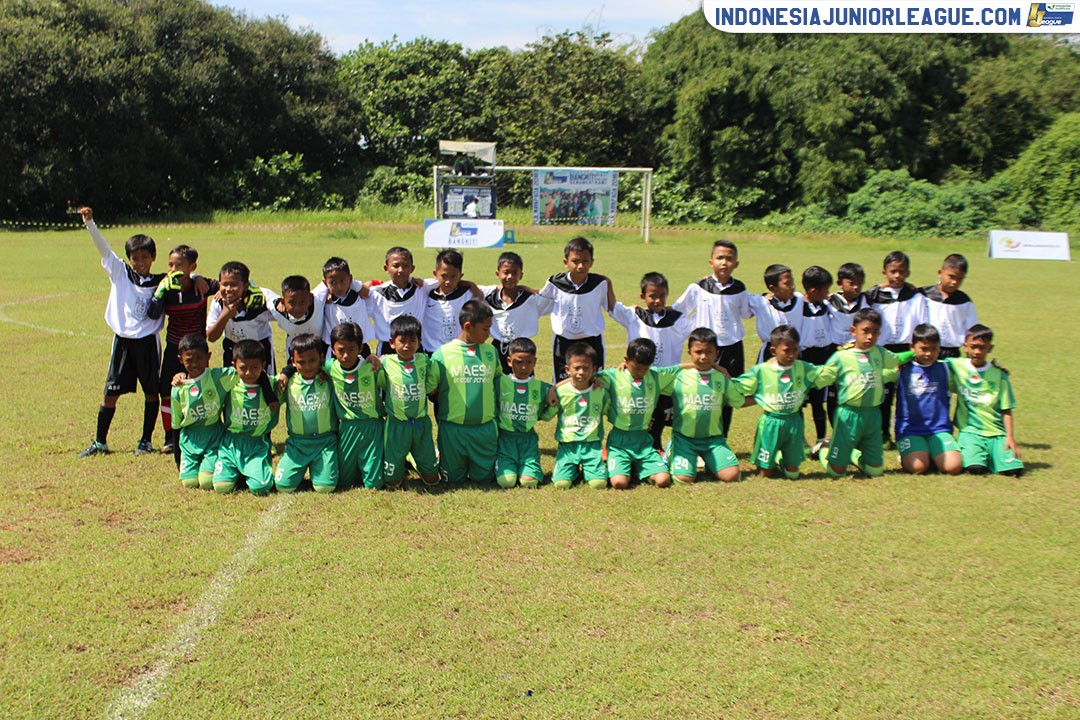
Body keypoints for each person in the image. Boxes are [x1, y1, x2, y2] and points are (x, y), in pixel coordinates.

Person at [77, 206, 167, 457]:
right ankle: (100, 442)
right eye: (135, 258)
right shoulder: (121, 273)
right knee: (110, 392)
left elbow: (185, 277)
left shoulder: (162, 281)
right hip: (123, 343)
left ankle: (146, 441)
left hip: (148, 342)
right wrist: (90, 223)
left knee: (151, 392)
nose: (140, 263)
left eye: (145, 258)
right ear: (129, 259)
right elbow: (103, 248)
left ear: (153, 257)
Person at [170, 333, 276, 491]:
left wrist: (269, 394)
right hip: (190, 439)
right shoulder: (178, 389)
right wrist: (178, 458)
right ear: (181, 360)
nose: (195, 364)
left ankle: (242, 471)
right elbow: (176, 424)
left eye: (200, 358)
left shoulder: (220, 377)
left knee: (207, 483)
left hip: (214, 437)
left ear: (208, 357)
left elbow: (253, 369)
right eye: (189, 360)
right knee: (189, 483)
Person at [732, 326, 836, 479]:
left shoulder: (803, 368)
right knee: (765, 473)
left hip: (794, 421)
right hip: (771, 423)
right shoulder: (762, 371)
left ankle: (785, 458)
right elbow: (738, 386)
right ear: (774, 351)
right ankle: (772, 458)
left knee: (793, 474)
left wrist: (845, 358)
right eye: (786, 350)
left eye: (795, 350)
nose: (792, 355)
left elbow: (827, 373)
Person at [672, 240, 752, 436]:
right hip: (706, 348)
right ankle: (702, 435)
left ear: (736, 264)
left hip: (732, 347)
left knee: (729, 393)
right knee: (705, 393)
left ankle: (721, 437)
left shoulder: (740, 289)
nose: (724, 263)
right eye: (720, 258)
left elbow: (746, 313)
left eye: (729, 259)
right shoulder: (698, 287)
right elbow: (677, 309)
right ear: (711, 262)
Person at [608, 272, 693, 451]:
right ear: (642, 296)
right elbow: (612, 306)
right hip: (640, 376)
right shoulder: (634, 315)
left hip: (665, 379)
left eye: (662, 296)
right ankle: (631, 448)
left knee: (662, 415)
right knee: (640, 413)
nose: (657, 300)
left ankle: (661, 448)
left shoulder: (677, 319)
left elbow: (699, 332)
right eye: (652, 296)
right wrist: (606, 282)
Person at [819, 309, 906, 478]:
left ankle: (853, 455)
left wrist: (915, 353)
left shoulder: (880, 353)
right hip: (849, 414)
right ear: (853, 331)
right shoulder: (841, 357)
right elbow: (822, 376)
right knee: (837, 473)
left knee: (875, 471)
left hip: (873, 415)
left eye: (875, 333)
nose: (870, 337)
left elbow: (896, 360)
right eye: (865, 331)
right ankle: (825, 449)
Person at [146, 244, 216, 455]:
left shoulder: (201, 286)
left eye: (179, 265)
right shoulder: (166, 287)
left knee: (200, 391)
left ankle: (204, 432)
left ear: (192, 266)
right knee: (167, 392)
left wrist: (198, 278)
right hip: (174, 348)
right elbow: (152, 313)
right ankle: (170, 436)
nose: (173, 269)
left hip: (198, 352)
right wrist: (159, 293)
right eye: (170, 264)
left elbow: (231, 284)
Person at [429, 300, 502, 484]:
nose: (489, 334)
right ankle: (439, 454)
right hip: (453, 431)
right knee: (453, 480)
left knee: (484, 479)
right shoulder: (442, 354)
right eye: (485, 329)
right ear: (468, 326)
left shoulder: (491, 352)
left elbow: (498, 381)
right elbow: (430, 388)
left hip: (484, 430)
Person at [665, 327, 747, 484]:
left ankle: (711, 462)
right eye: (698, 352)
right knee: (684, 479)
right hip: (684, 440)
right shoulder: (678, 377)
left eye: (709, 352)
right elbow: (651, 374)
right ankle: (672, 450)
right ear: (689, 352)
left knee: (732, 476)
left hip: (713, 440)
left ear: (716, 352)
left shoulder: (721, 378)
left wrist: (764, 399)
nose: (703, 357)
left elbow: (739, 401)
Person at [866, 250, 929, 447]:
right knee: (883, 394)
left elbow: (923, 323)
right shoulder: (874, 296)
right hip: (882, 350)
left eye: (901, 272)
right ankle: (883, 433)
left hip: (908, 350)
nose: (897, 276)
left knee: (908, 393)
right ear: (884, 272)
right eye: (893, 271)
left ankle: (908, 432)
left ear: (908, 272)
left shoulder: (916, 297)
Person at [597, 338, 678, 489]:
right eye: (636, 368)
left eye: (645, 369)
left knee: (663, 480)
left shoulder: (655, 376)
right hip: (619, 442)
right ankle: (624, 465)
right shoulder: (613, 376)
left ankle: (640, 467)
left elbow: (681, 368)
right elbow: (583, 377)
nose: (640, 373)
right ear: (626, 360)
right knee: (619, 483)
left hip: (644, 442)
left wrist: (715, 367)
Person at [945, 324, 1023, 476]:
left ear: (990, 348)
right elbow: (929, 359)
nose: (977, 352)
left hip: (996, 432)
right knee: (975, 469)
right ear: (965, 346)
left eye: (982, 347)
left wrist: (1010, 437)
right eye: (973, 347)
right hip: (970, 432)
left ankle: (995, 454)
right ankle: (979, 456)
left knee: (1014, 470)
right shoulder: (956, 365)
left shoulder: (999, 375)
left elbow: (1006, 409)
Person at [538, 237, 615, 382]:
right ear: (565, 262)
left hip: (592, 342)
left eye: (585, 261)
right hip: (563, 343)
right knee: (562, 385)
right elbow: (539, 303)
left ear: (592, 261)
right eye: (575, 261)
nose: (580, 266)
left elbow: (613, 308)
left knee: (595, 382)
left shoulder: (600, 283)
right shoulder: (554, 283)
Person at [377, 316, 439, 487]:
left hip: (420, 424)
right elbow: (378, 381)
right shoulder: (385, 362)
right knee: (392, 482)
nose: (407, 345)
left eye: (412, 340)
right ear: (391, 342)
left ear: (419, 342)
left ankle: (420, 457)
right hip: (396, 426)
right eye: (402, 341)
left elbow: (431, 385)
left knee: (432, 480)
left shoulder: (424, 361)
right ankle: (402, 460)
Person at [211, 339, 279, 494]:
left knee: (260, 488)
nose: (248, 373)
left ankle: (250, 471)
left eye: (255, 367)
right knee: (221, 487)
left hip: (256, 444)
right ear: (234, 365)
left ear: (263, 365)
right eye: (243, 368)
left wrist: (286, 375)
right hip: (231, 444)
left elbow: (294, 377)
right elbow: (202, 375)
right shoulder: (229, 382)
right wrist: (182, 376)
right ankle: (238, 471)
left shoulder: (273, 384)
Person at [274, 333, 338, 493]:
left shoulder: (329, 378)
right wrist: (284, 373)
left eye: (313, 361)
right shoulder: (288, 382)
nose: (308, 366)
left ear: (321, 357)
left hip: (325, 443)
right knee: (283, 486)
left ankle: (319, 470)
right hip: (298, 444)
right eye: (301, 362)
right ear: (293, 362)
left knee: (325, 487)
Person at [895, 324, 962, 475]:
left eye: (934, 349)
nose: (929, 353)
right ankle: (911, 454)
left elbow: (968, 373)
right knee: (918, 468)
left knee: (953, 467)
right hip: (910, 430)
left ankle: (929, 452)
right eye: (924, 348)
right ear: (912, 346)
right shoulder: (902, 369)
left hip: (939, 430)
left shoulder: (945, 369)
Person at [494, 338, 557, 488]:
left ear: (535, 362)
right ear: (509, 361)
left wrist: (554, 394)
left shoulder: (541, 387)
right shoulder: (499, 382)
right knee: (506, 482)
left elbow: (546, 415)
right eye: (519, 362)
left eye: (529, 362)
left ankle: (529, 465)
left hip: (528, 441)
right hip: (504, 440)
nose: (524, 367)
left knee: (529, 482)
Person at [549, 342, 610, 489]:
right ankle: (572, 469)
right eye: (577, 368)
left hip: (592, 446)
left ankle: (591, 467)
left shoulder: (600, 391)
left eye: (586, 368)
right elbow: (547, 415)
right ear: (567, 369)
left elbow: (610, 410)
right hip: (567, 446)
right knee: (561, 484)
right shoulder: (561, 392)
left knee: (599, 484)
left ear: (594, 369)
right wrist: (552, 390)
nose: (581, 372)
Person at [482, 252, 553, 375]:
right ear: (497, 274)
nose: (510, 276)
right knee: (496, 386)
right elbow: (463, 285)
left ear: (521, 275)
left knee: (524, 387)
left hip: (523, 351)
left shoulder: (530, 299)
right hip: (497, 350)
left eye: (515, 273)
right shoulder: (488, 296)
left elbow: (555, 298)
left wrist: (531, 290)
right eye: (506, 272)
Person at [205, 261, 273, 374]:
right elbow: (211, 337)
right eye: (224, 284)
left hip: (260, 350)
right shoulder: (218, 302)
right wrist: (226, 314)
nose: (228, 289)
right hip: (232, 349)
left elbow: (285, 312)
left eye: (233, 285)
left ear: (246, 286)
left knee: (264, 387)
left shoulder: (259, 301)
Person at [366, 247, 433, 356]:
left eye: (405, 266)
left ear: (412, 268)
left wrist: (470, 285)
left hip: (414, 346)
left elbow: (446, 279)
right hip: (387, 349)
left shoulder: (422, 288)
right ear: (386, 268)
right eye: (395, 266)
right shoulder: (376, 293)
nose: (401, 270)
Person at [798, 265, 836, 455]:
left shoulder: (826, 304)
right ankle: (799, 438)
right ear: (813, 291)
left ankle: (821, 439)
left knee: (818, 401)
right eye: (825, 290)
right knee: (799, 401)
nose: (828, 293)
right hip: (805, 356)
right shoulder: (798, 304)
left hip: (824, 355)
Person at [919, 254, 978, 359]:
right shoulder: (923, 295)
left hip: (952, 354)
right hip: (926, 351)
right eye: (951, 276)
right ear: (940, 273)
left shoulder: (964, 302)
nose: (954, 282)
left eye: (960, 279)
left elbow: (972, 332)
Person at [315, 256, 377, 354]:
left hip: (360, 347)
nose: (338, 286)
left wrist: (358, 285)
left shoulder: (360, 296)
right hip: (335, 350)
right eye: (333, 283)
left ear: (350, 278)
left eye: (342, 281)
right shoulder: (324, 299)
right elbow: (309, 296)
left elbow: (374, 289)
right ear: (325, 283)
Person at [423, 249, 476, 353]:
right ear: (435, 273)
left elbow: (496, 289)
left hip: (456, 353)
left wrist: (472, 285)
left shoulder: (468, 294)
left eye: (453, 277)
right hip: (431, 352)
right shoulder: (424, 293)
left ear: (460, 276)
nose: (448, 281)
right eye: (444, 276)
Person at [748, 263, 804, 362]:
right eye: (787, 283)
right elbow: (736, 297)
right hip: (769, 355)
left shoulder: (799, 299)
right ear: (773, 288)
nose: (792, 286)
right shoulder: (761, 303)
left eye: (792, 282)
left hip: (794, 352)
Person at [265, 275, 325, 356]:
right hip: (294, 355)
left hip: (320, 353)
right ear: (283, 302)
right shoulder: (276, 309)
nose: (298, 308)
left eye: (302, 302)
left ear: (311, 298)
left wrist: (332, 293)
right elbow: (264, 293)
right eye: (292, 303)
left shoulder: (319, 299)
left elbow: (330, 280)